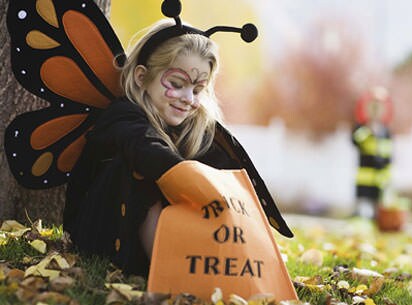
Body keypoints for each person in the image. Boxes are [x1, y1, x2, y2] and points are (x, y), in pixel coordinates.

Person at [62, 19, 290, 276]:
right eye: (178, 84)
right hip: (105, 234)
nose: (189, 99)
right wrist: (188, 177)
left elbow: (226, 180)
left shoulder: (197, 129)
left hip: (167, 238)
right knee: (143, 170)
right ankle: (171, 274)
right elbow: (145, 147)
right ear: (141, 77)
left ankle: (211, 266)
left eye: (198, 89)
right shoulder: (123, 116)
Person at [352, 87, 393, 219]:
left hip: (379, 180)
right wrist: (368, 130)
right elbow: (355, 141)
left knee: (378, 214)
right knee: (361, 212)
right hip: (364, 178)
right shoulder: (361, 128)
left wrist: (387, 179)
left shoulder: (386, 132)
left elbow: (388, 157)